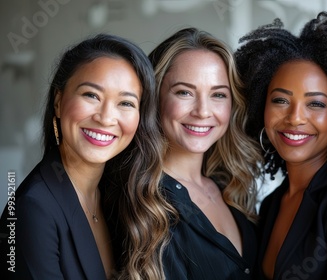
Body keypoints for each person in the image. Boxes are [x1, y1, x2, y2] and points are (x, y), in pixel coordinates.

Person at [0, 33, 169, 280]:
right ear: (58, 102)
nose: (106, 117)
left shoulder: (118, 196)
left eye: (126, 103)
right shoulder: (32, 210)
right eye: (91, 95)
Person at [235, 11, 327, 279]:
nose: (294, 118)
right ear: (261, 107)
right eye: (280, 100)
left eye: (316, 104)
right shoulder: (273, 203)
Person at [144, 27, 262, 279]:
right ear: (155, 97)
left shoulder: (230, 187)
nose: (203, 111)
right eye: (184, 92)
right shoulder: (142, 198)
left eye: (218, 94)